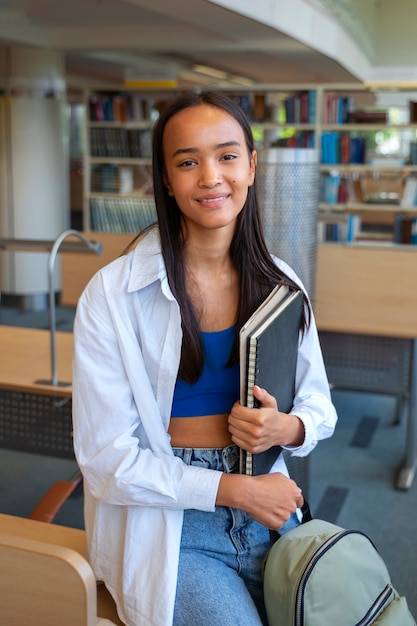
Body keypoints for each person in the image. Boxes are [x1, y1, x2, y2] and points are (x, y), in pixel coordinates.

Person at [72, 90, 337, 626]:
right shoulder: (114, 294)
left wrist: (286, 428)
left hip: (267, 498)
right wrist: (233, 490)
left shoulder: (282, 285)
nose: (211, 176)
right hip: (172, 519)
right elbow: (106, 461)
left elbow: (320, 407)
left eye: (227, 155)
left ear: (252, 166)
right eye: (187, 162)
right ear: (166, 180)